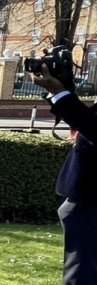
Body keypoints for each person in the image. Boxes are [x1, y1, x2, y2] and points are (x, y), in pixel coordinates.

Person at [31, 63, 97, 284]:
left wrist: (60, 93)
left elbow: (93, 128)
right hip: (86, 198)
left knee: (83, 273)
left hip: (91, 198)